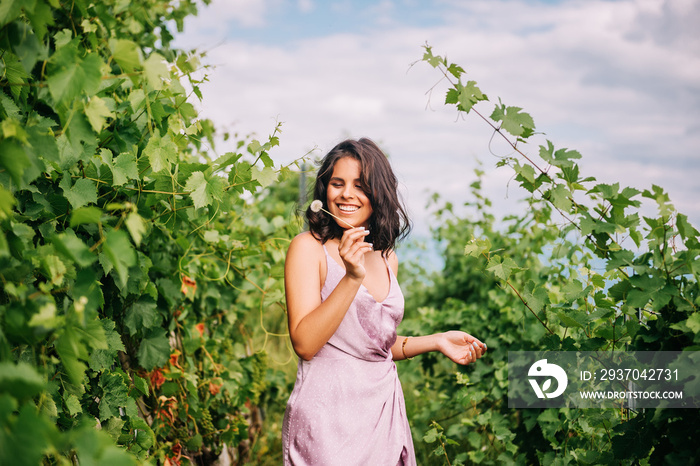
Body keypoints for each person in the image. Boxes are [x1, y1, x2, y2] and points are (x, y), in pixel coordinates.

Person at [282, 138, 487, 465]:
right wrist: (351, 277)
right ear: (325, 191)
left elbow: (373, 346)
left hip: (382, 415)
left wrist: (436, 341)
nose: (346, 193)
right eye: (338, 183)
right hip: (327, 420)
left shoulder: (387, 257)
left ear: (378, 193)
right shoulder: (308, 248)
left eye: (360, 185)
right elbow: (305, 343)